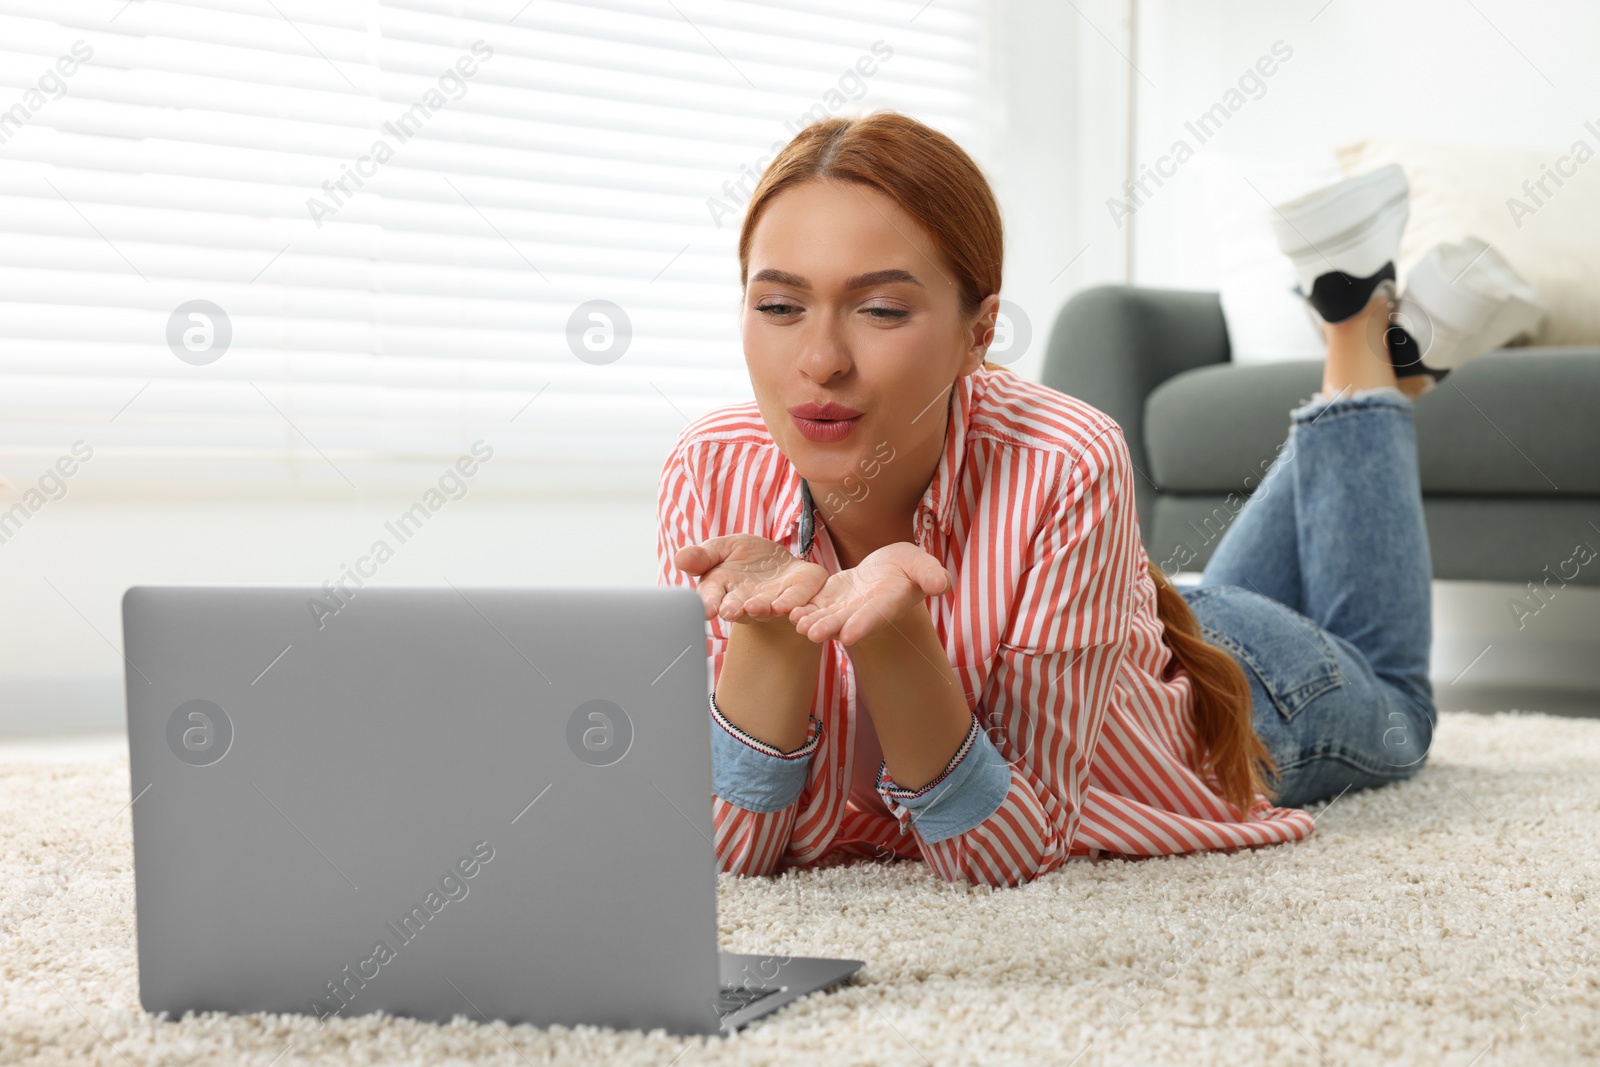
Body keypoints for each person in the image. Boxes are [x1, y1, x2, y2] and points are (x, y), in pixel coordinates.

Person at [656, 111, 1542, 888]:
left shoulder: (1066, 457)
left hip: (1230, 680)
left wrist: (895, 637)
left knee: (1404, 713)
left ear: (980, 331)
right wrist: (770, 629)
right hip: (1119, 622)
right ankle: (1401, 370)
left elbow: (1001, 855)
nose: (819, 362)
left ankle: (1352, 319)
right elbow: (731, 850)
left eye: (881, 311)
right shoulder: (711, 469)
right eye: (778, 305)